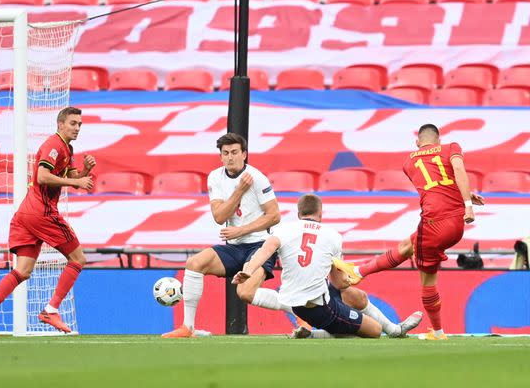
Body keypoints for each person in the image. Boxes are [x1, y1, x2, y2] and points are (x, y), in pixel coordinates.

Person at [333, 124, 485, 340]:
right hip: (457, 223)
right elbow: (455, 172)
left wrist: (467, 201)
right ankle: (358, 272)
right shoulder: (451, 147)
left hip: (433, 224)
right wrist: (467, 200)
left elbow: (433, 182)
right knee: (407, 245)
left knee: (427, 280)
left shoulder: (409, 162)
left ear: (417, 142)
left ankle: (438, 333)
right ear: (439, 140)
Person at [0, 107, 95, 336]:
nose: (77, 128)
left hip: (26, 214)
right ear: (60, 124)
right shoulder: (54, 145)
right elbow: (42, 176)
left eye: (79, 124)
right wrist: (76, 184)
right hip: (42, 212)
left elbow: (71, 178)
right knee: (78, 258)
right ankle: (51, 310)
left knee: (23, 270)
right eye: (72, 123)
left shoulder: (67, 148)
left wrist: (85, 172)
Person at [234, 194, 423, 339]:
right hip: (319, 306)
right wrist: (350, 276)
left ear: (299, 214)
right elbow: (339, 282)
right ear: (320, 214)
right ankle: (313, 335)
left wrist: (248, 271)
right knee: (374, 330)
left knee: (357, 296)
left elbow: (264, 251)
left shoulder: (283, 230)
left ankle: (395, 330)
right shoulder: (333, 235)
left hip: (295, 299)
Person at [162, 133, 281, 338]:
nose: (230, 157)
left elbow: (274, 216)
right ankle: (187, 328)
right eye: (225, 153)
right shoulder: (215, 177)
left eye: (234, 152)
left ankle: (298, 309)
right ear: (220, 156)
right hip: (234, 247)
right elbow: (219, 217)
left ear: (244, 154)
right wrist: (239, 190)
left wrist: (241, 230)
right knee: (194, 263)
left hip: (259, 246)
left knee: (245, 293)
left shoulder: (257, 178)